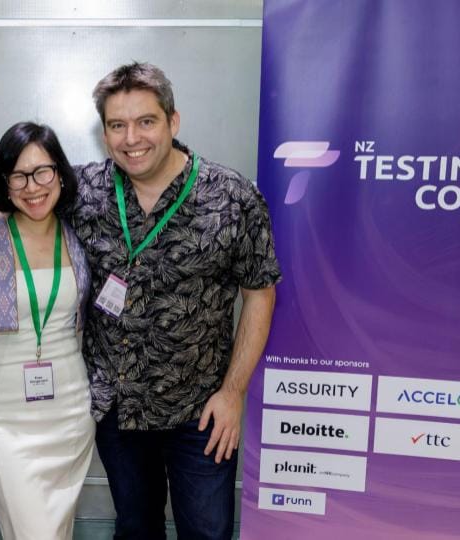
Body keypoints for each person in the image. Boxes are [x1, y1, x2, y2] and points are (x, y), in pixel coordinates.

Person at [66, 62, 281, 540]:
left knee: (207, 532)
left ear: (173, 121)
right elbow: (17, 197)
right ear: (103, 133)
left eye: (146, 121)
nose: (131, 138)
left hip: (201, 412)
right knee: (136, 529)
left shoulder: (233, 196)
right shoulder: (83, 193)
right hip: (118, 410)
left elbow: (259, 293)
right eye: (117, 125)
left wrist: (233, 393)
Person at [0, 122, 94, 540]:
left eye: (42, 171)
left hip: (70, 412)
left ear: (59, 173)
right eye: (17, 175)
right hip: (3, 416)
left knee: (54, 531)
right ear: (4, 181)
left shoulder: (82, 238)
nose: (32, 186)